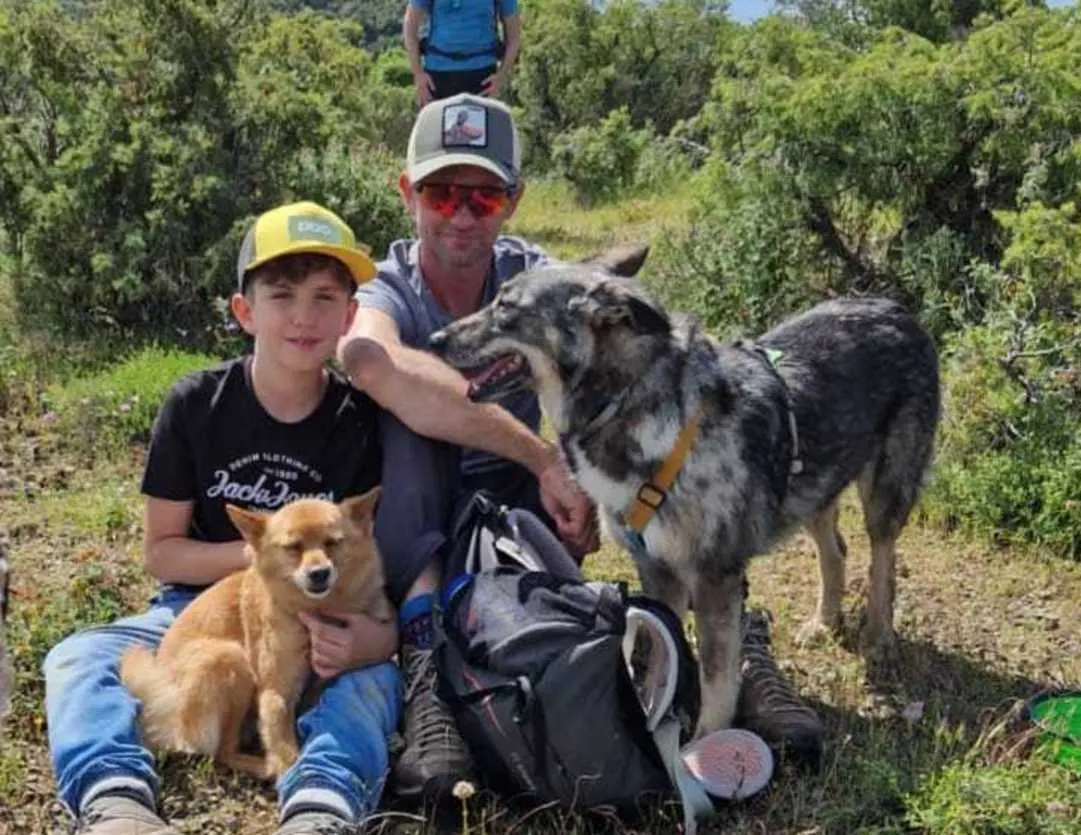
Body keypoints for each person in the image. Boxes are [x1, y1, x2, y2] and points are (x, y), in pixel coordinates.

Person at [339, 94, 824, 808]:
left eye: (484, 195)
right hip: (428, 521)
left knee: (655, 499)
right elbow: (369, 359)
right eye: (442, 193)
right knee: (411, 430)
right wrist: (543, 458)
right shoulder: (391, 288)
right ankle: (425, 673)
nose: (462, 215)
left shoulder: (539, 275)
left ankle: (731, 648)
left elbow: (629, 334)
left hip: (523, 515)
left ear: (513, 201)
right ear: (408, 193)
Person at [43, 202, 400, 835]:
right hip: (190, 608)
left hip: (323, 610)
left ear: (350, 316)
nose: (302, 316)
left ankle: (322, 802)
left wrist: (377, 636)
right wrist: (266, 559)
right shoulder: (195, 405)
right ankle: (114, 796)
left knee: (371, 679)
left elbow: (363, 559)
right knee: (77, 658)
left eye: (324, 298)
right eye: (281, 294)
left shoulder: (359, 422)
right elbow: (163, 551)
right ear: (244, 311)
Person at [403, 0, 521, 106]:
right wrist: (417, 73)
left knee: (478, 129)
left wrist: (501, 75)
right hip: (436, 77)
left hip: (483, 78)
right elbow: (410, 26)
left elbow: (514, 36)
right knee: (434, 129)